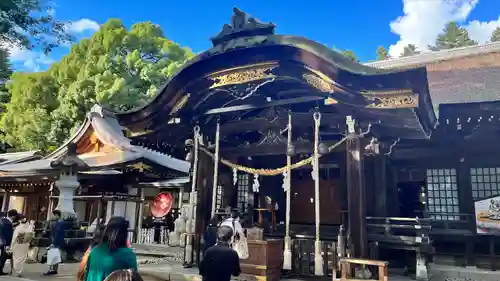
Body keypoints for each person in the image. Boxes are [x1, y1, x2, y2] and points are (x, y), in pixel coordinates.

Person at [84, 216, 137, 281]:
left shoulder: (94, 251)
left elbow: (86, 275)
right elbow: (134, 278)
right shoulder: (128, 255)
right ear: (125, 234)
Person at [43, 210, 70, 276]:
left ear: (57, 215)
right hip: (56, 241)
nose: (53, 216)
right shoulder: (58, 222)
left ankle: (51, 270)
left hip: (55, 241)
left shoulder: (59, 223)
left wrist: (53, 242)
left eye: (54, 215)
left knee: (52, 256)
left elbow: (57, 233)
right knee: (55, 255)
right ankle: (54, 269)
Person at [0, 209, 18, 275]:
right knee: (3, 256)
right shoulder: (8, 223)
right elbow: (8, 235)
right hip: (5, 242)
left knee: (2, 255)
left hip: (1, 240)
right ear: (13, 216)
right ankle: (0, 270)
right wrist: (8, 244)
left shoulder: (3, 220)